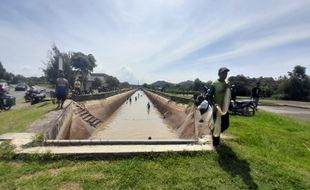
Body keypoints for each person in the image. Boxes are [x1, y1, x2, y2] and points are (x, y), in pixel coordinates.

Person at [208, 67, 231, 147]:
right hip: (217, 108)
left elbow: (228, 96)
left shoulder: (227, 83)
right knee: (216, 125)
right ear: (219, 74)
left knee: (226, 124)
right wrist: (214, 104)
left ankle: (214, 133)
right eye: (223, 73)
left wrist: (228, 88)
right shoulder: (214, 84)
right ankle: (215, 143)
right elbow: (209, 96)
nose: (225, 74)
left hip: (225, 108)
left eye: (226, 73)